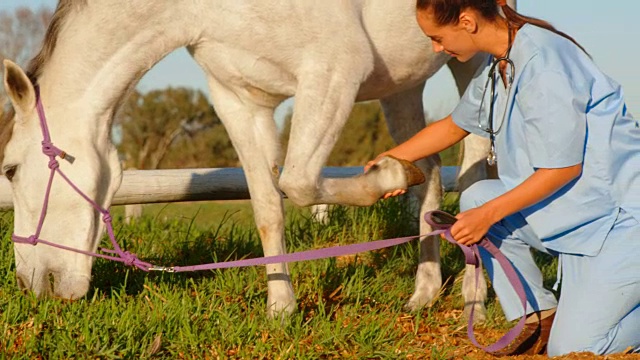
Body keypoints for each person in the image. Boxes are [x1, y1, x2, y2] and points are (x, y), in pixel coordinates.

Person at [367, 0, 640, 356]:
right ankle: (539, 315)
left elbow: (562, 169)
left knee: (574, 350)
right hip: (583, 219)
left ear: (466, 21)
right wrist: (389, 160)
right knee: (477, 197)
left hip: (621, 225)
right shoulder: (502, 62)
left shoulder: (545, 66)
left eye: (437, 37)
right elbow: (453, 126)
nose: (436, 48)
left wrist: (488, 216)